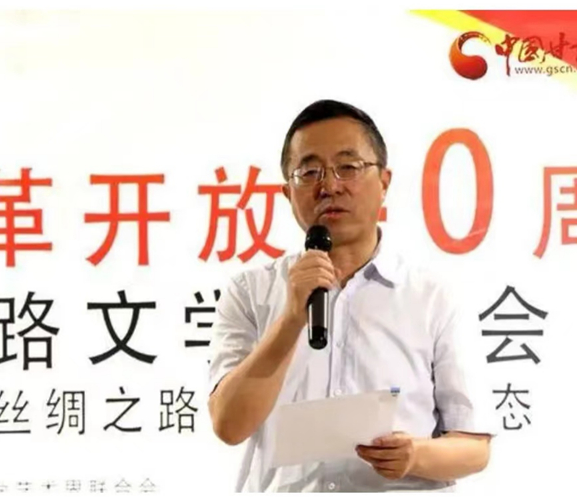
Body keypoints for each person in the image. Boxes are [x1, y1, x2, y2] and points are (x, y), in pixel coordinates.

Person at [208, 99, 493, 492]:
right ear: (287, 193)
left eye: (348, 167)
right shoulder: (250, 292)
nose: (329, 186)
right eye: (309, 172)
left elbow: (474, 447)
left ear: (384, 182)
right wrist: (291, 319)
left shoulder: (432, 296)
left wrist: (415, 455)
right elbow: (229, 426)